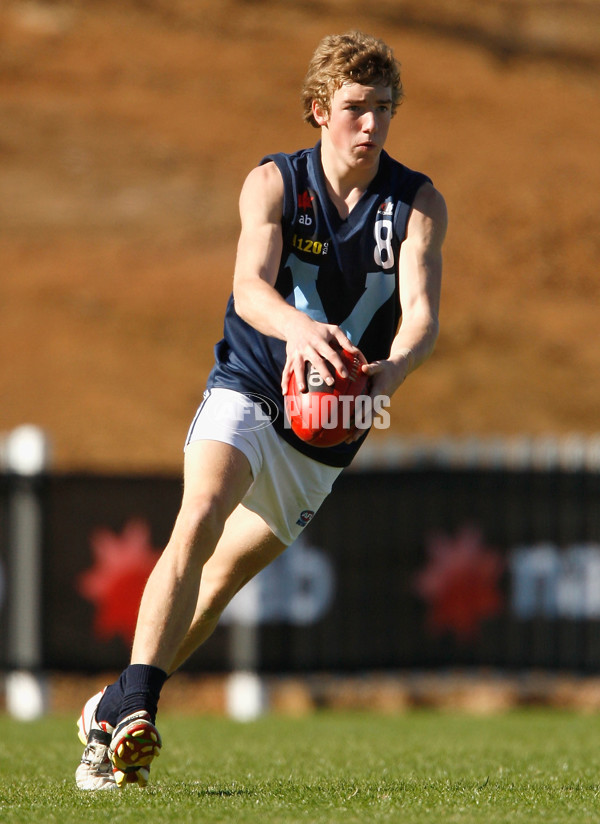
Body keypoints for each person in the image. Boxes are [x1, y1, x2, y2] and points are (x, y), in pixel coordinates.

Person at [75, 29, 447, 790]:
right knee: (201, 510)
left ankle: (110, 707)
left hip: (332, 425)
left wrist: (394, 371)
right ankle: (135, 714)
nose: (371, 125)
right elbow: (250, 288)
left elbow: (420, 312)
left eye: (383, 108)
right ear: (318, 111)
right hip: (250, 381)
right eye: (354, 108)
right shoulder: (275, 182)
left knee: (218, 587)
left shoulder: (415, 202)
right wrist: (300, 328)